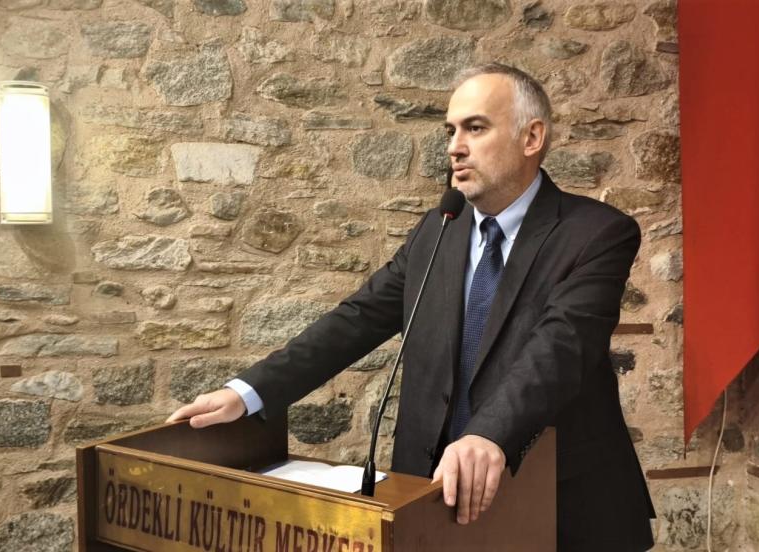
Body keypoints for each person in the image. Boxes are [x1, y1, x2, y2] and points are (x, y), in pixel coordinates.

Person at [168, 63, 655, 551]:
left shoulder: (596, 233)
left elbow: (561, 347)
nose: (454, 147)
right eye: (450, 131)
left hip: (560, 507)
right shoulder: (439, 228)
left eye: (475, 128)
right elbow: (358, 318)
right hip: (432, 500)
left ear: (531, 138)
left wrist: (487, 435)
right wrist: (248, 392)